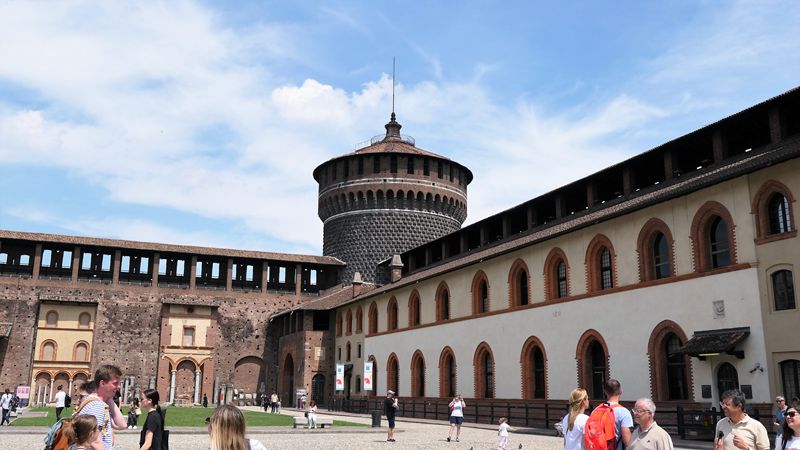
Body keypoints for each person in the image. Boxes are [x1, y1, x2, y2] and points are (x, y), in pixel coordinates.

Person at [82, 365, 128, 450]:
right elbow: (95, 441)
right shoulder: (96, 406)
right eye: (115, 383)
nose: (118, 387)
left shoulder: (100, 403)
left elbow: (122, 425)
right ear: (102, 383)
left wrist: (109, 399)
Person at [602, 379, 634, 450]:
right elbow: (627, 441)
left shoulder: (597, 410)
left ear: (605, 392)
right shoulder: (624, 412)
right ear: (620, 391)